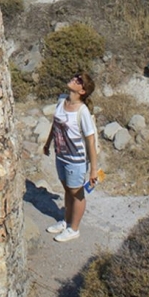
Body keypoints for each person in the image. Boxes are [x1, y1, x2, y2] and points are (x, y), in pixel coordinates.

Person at [42, 72, 98, 243]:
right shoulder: (62, 101)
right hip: (61, 155)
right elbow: (55, 125)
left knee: (77, 193)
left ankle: (74, 229)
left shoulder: (83, 111)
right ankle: (66, 221)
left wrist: (93, 170)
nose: (74, 79)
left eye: (79, 80)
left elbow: (90, 139)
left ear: (82, 91)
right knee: (67, 189)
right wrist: (48, 142)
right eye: (75, 76)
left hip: (76, 159)